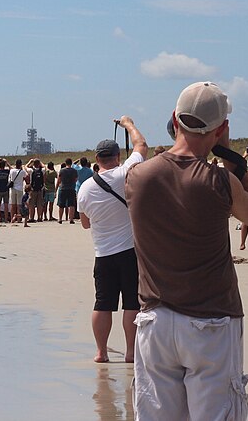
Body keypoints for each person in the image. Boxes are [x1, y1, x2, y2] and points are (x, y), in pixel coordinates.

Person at [125, 82, 248, 420]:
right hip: (211, 320)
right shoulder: (219, 180)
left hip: (155, 319)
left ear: (175, 119)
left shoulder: (137, 177)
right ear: (221, 129)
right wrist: (231, 157)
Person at [77, 116, 147, 364]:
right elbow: (141, 146)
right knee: (131, 303)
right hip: (129, 251)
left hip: (103, 253)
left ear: (97, 160)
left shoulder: (84, 188)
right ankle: (130, 352)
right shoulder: (124, 173)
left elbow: (85, 223)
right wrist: (128, 124)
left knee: (103, 303)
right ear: (117, 156)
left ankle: (101, 352)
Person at [57, 159, 79, 224]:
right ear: (71, 163)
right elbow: (76, 179)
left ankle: (60, 219)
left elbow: (59, 180)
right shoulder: (74, 171)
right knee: (71, 205)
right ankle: (71, 219)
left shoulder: (62, 170)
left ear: (65, 163)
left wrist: (56, 189)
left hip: (63, 188)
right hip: (71, 188)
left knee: (61, 205)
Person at [8, 160, 26, 225]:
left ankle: (12, 218)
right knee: (19, 205)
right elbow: (25, 177)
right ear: (20, 164)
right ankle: (18, 219)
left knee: (13, 205)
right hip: (19, 189)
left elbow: (10, 178)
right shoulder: (22, 172)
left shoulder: (11, 171)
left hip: (13, 189)